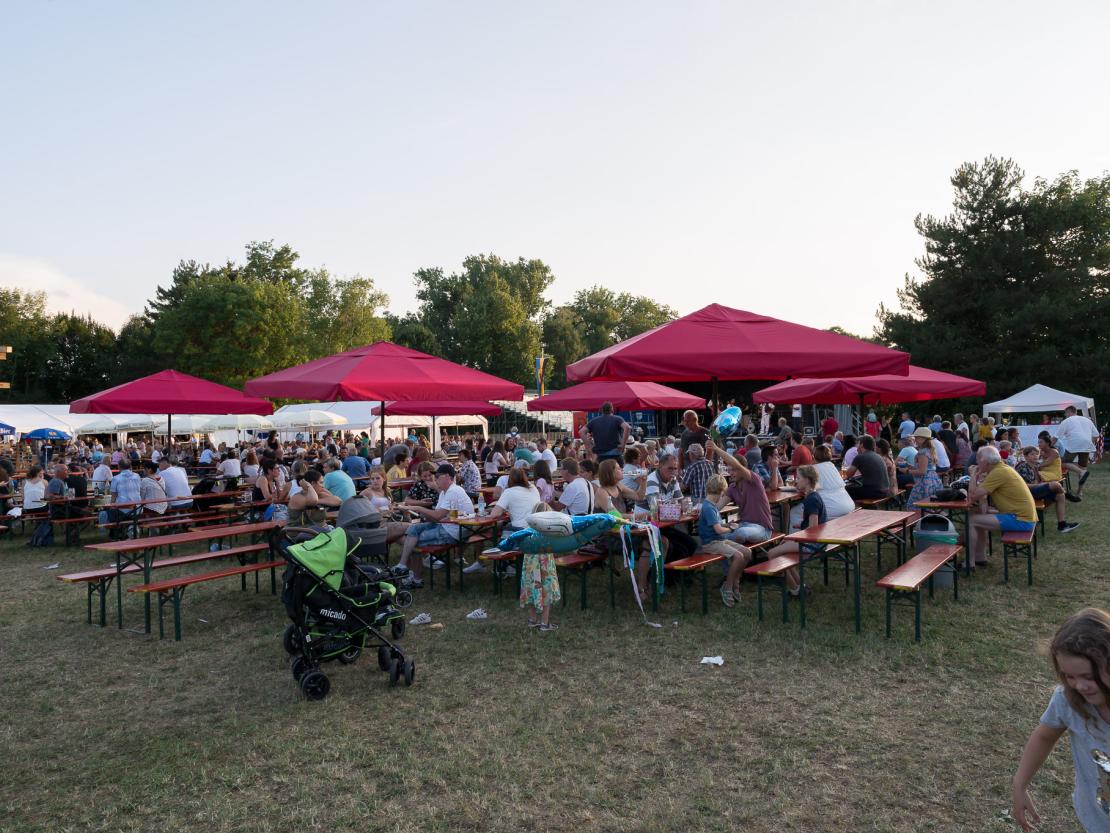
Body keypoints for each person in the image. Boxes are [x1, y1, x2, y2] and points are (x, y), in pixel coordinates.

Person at [1010, 607, 1110, 833]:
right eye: (1069, 676)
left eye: (1088, 676)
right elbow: (1045, 735)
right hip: (1097, 822)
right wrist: (1020, 783)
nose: (1080, 686)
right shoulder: (1069, 701)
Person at [397, 463, 474, 585]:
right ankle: (402, 565)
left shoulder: (453, 491)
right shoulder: (445, 492)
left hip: (454, 531)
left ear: (448, 477)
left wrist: (418, 508)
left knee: (413, 542)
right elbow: (436, 518)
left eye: (438, 476)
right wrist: (419, 514)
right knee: (414, 529)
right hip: (448, 526)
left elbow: (438, 516)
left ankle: (415, 579)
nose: (435, 479)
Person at [967, 445, 1037, 567]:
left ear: (984, 461)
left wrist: (973, 474)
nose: (976, 462)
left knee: (971, 520)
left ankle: (969, 563)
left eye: (978, 459)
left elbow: (972, 496)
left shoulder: (998, 472)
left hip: (1021, 520)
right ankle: (979, 558)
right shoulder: (1001, 469)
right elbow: (982, 497)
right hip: (1023, 516)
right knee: (978, 517)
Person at [762, 465, 825, 599]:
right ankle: (800, 587)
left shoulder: (811, 500)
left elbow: (813, 528)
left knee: (772, 553)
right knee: (781, 550)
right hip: (814, 540)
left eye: (799, 478)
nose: (796, 481)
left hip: (813, 543)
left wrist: (795, 536)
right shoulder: (813, 496)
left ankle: (795, 589)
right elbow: (811, 525)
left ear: (807, 480)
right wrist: (800, 528)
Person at [697, 475, 752, 607]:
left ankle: (735, 581)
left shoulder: (712, 505)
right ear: (721, 491)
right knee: (738, 556)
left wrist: (727, 525)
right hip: (710, 543)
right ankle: (728, 586)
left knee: (747, 552)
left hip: (719, 541)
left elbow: (719, 527)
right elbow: (718, 530)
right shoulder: (709, 508)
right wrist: (731, 529)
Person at [710, 442, 775, 544]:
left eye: (734, 470)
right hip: (743, 525)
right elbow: (717, 507)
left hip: (762, 528)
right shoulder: (733, 487)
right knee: (716, 535)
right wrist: (704, 508)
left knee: (739, 533)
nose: (731, 473)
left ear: (742, 469)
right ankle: (734, 552)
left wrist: (716, 449)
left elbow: (736, 464)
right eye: (729, 470)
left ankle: (727, 543)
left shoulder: (753, 480)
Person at [1015, 446, 1080, 533]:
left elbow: (1037, 482)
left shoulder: (1035, 466)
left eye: (1037, 454)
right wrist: (1042, 485)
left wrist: (1042, 484)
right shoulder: (1023, 466)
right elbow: (1022, 485)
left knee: (1059, 495)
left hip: (1036, 489)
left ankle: (1062, 525)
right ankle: (1067, 494)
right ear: (1026, 456)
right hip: (1028, 492)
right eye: (1032, 454)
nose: (1035, 456)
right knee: (1055, 484)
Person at [519, 500, 561, 631]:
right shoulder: (549, 533)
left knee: (531, 590)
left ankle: (532, 620)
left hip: (530, 567)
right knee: (546, 591)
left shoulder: (527, 532)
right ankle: (545, 622)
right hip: (545, 566)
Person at [1055, 405, 1100, 497]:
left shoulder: (1066, 421)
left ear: (1069, 412)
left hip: (1074, 444)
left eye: (1065, 413)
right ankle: (1080, 492)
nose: (1065, 415)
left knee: (1060, 462)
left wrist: (1047, 447)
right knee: (1083, 467)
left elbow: (1056, 437)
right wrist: (1089, 443)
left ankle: (1081, 472)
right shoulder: (1087, 420)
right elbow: (1096, 435)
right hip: (1086, 444)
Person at [807, 445, 856, 520]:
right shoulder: (832, 466)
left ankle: (805, 531)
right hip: (849, 505)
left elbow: (807, 490)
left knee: (794, 512)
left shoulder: (813, 469)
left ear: (814, 457)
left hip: (831, 509)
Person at [488, 468, 540, 532]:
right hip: (536, 527)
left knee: (499, 530)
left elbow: (494, 514)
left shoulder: (509, 492)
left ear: (510, 479)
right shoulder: (533, 488)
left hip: (520, 528)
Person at [906, 427, 944, 508]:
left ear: (922, 438)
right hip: (933, 480)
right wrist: (910, 466)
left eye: (916, 437)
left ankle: (919, 520)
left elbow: (922, 471)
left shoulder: (923, 452)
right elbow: (926, 467)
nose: (914, 439)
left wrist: (907, 471)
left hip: (924, 483)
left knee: (913, 506)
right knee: (929, 507)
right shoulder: (929, 450)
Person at [843, 435, 888, 501]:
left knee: (845, 490)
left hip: (874, 492)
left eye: (858, 445)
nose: (856, 447)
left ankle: (853, 509)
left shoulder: (860, 457)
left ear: (861, 445)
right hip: (885, 490)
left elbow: (848, 474)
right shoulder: (878, 456)